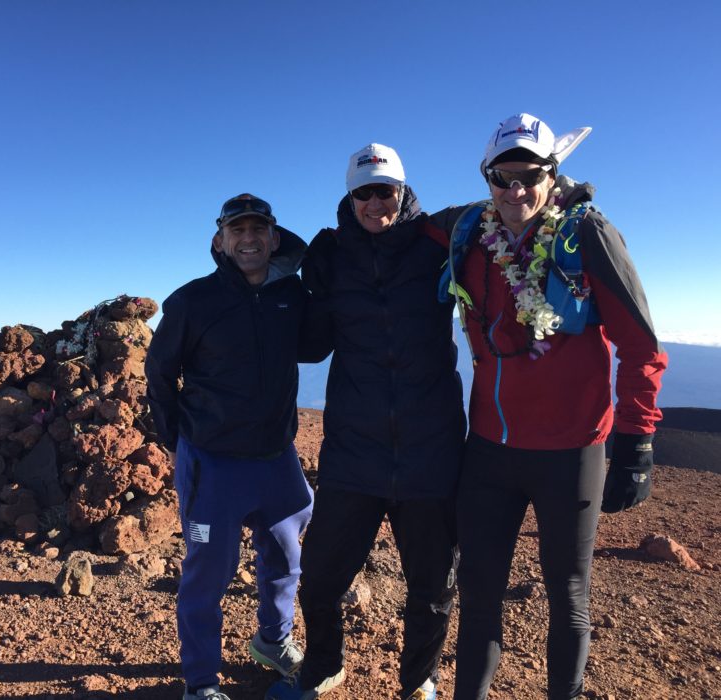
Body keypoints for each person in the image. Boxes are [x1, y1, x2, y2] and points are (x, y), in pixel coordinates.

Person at [426, 113, 668, 700]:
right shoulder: (469, 230)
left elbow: (640, 344)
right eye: (502, 177)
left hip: (571, 449)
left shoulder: (585, 236)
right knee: (480, 591)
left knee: (567, 593)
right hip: (489, 450)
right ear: (487, 178)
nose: (515, 192)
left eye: (529, 176)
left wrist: (636, 441)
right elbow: (399, 222)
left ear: (552, 175)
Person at [267, 144, 466, 700]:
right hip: (356, 450)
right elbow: (312, 343)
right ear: (349, 197)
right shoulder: (331, 253)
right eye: (364, 192)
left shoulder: (437, 239)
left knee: (431, 586)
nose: (375, 202)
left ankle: (418, 680)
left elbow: (498, 214)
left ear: (402, 192)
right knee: (323, 578)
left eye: (386, 190)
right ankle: (324, 665)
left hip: (431, 448)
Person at [145, 194, 315, 700]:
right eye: (236, 230)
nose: (248, 238)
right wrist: (177, 440)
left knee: (286, 558)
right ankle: (200, 682)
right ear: (219, 241)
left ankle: (272, 640)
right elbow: (159, 374)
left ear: (274, 238)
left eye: (258, 229)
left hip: (276, 458)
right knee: (208, 572)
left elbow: (317, 345)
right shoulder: (192, 301)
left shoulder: (292, 297)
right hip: (212, 462)